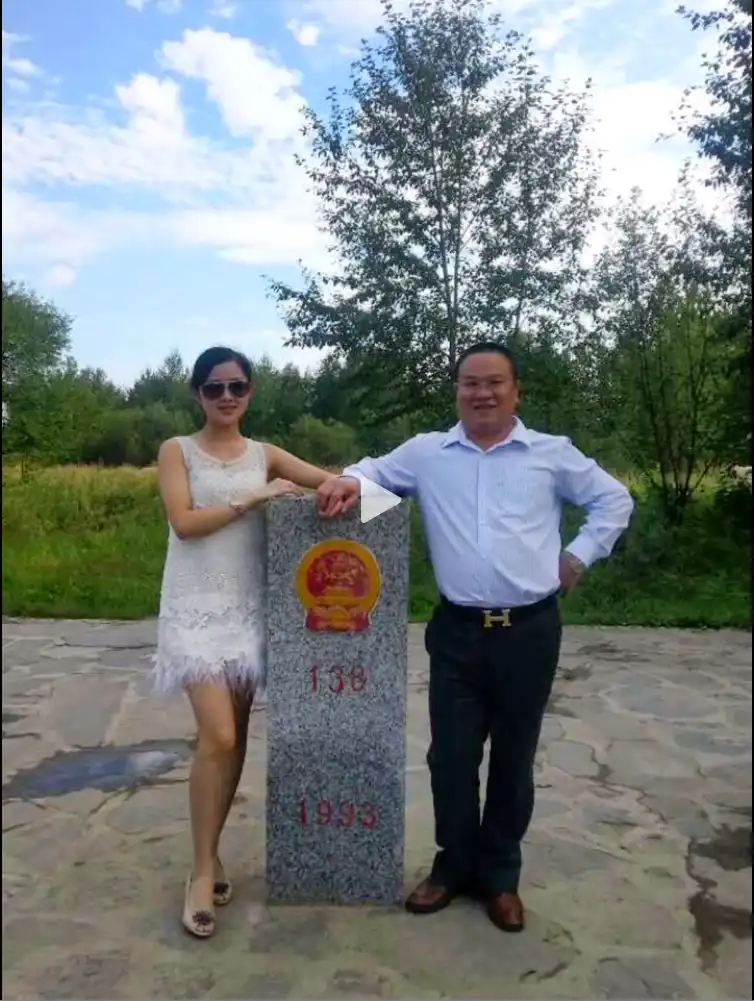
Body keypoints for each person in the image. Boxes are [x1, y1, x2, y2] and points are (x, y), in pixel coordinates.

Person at [316, 342, 633, 934]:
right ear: (457, 390)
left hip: (529, 631)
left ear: (515, 391)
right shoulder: (429, 454)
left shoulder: (551, 454)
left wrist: (579, 555)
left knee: (513, 758)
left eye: (494, 382)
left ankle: (501, 876)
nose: (482, 393)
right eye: (470, 383)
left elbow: (614, 499)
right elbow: (372, 473)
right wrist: (346, 483)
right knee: (451, 757)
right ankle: (454, 865)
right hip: (457, 633)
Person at [153, 345, 337, 939]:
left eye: (236, 386)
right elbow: (184, 523)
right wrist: (250, 498)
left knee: (232, 746)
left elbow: (331, 482)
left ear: (250, 392)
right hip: (194, 611)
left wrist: (369, 492)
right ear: (197, 394)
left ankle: (210, 854)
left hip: (247, 614)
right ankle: (200, 872)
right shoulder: (178, 451)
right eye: (214, 388)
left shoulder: (266, 454)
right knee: (220, 736)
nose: (226, 397)